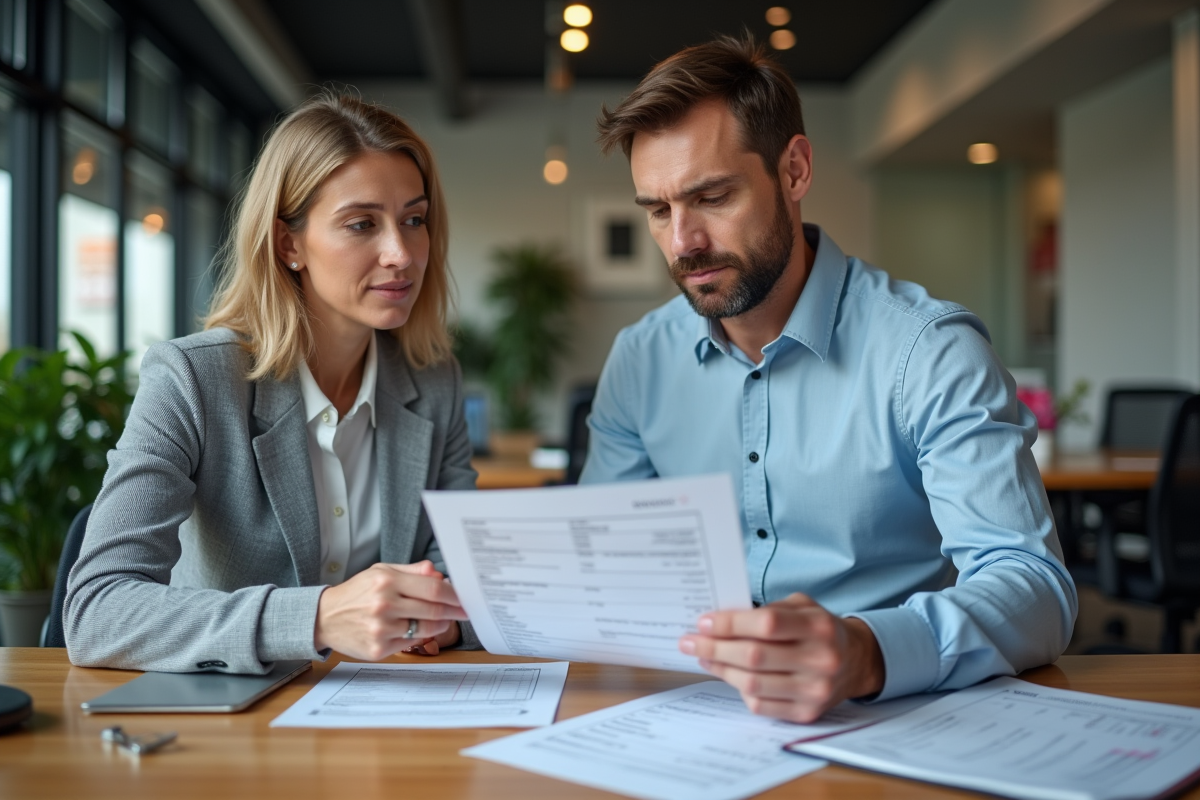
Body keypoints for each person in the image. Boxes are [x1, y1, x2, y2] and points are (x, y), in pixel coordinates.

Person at [584, 36, 1076, 722]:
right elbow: (603, 566)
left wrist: (866, 650)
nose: (682, 242)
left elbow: (1034, 588)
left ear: (794, 170)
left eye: (712, 196)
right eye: (658, 211)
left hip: (888, 718)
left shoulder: (929, 352)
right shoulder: (640, 360)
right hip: (688, 717)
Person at [65, 93, 477, 673]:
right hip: (232, 730)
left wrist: (443, 620)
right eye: (362, 224)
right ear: (289, 244)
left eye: (414, 220)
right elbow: (96, 611)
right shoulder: (192, 380)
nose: (401, 253)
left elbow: (463, 576)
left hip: (386, 720)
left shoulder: (435, 383)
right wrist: (318, 618)